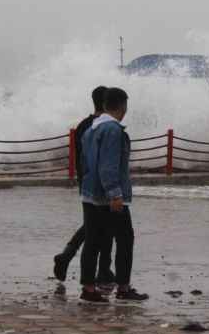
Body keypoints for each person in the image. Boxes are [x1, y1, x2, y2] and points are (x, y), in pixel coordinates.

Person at [80, 87, 148, 302]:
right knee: (125, 240)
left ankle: (89, 289)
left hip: (90, 194)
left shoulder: (91, 129)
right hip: (108, 198)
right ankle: (123, 288)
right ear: (123, 105)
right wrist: (115, 194)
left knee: (92, 242)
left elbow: (87, 163)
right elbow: (108, 166)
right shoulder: (112, 130)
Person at [53, 86, 116, 292]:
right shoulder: (102, 126)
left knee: (95, 226)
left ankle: (68, 256)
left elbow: (80, 158)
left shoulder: (83, 125)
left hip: (86, 182)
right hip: (99, 185)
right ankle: (101, 272)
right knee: (102, 229)